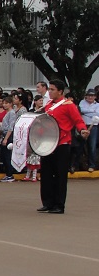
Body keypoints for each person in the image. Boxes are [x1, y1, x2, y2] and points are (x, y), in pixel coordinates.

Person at [38, 79, 88, 214]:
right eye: (49, 89)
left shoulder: (69, 105)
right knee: (46, 174)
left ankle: (59, 205)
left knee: (60, 176)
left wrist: (82, 130)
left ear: (60, 91)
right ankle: (47, 203)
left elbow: (78, 120)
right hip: (47, 144)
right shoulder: (49, 105)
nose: (49, 91)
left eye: (52, 89)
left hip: (62, 144)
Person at [77, 89, 99, 172]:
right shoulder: (82, 102)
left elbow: (98, 114)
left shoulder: (98, 105)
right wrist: (92, 112)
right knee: (80, 146)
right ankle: (77, 165)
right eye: (89, 95)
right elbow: (80, 110)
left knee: (92, 146)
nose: (90, 97)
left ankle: (91, 165)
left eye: (92, 96)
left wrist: (85, 113)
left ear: (95, 97)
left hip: (93, 126)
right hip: (83, 126)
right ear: (86, 96)